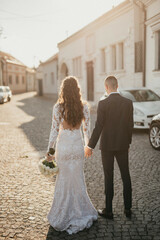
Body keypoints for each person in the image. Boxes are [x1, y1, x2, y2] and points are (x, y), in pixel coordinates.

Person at [46, 76, 98, 234]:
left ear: (63, 90)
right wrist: (88, 146)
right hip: (77, 148)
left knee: (63, 180)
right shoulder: (84, 107)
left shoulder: (58, 108)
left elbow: (54, 131)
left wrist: (50, 150)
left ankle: (63, 213)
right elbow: (86, 130)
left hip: (64, 148)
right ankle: (80, 211)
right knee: (77, 180)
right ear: (77, 90)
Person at [85, 75, 133, 219]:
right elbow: (130, 125)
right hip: (123, 145)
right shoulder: (128, 102)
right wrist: (127, 142)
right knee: (126, 176)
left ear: (106, 87)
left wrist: (90, 146)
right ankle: (128, 209)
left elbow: (98, 126)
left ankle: (109, 210)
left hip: (107, 146)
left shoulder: (103, 103)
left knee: (109, 177)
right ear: (117, 86)